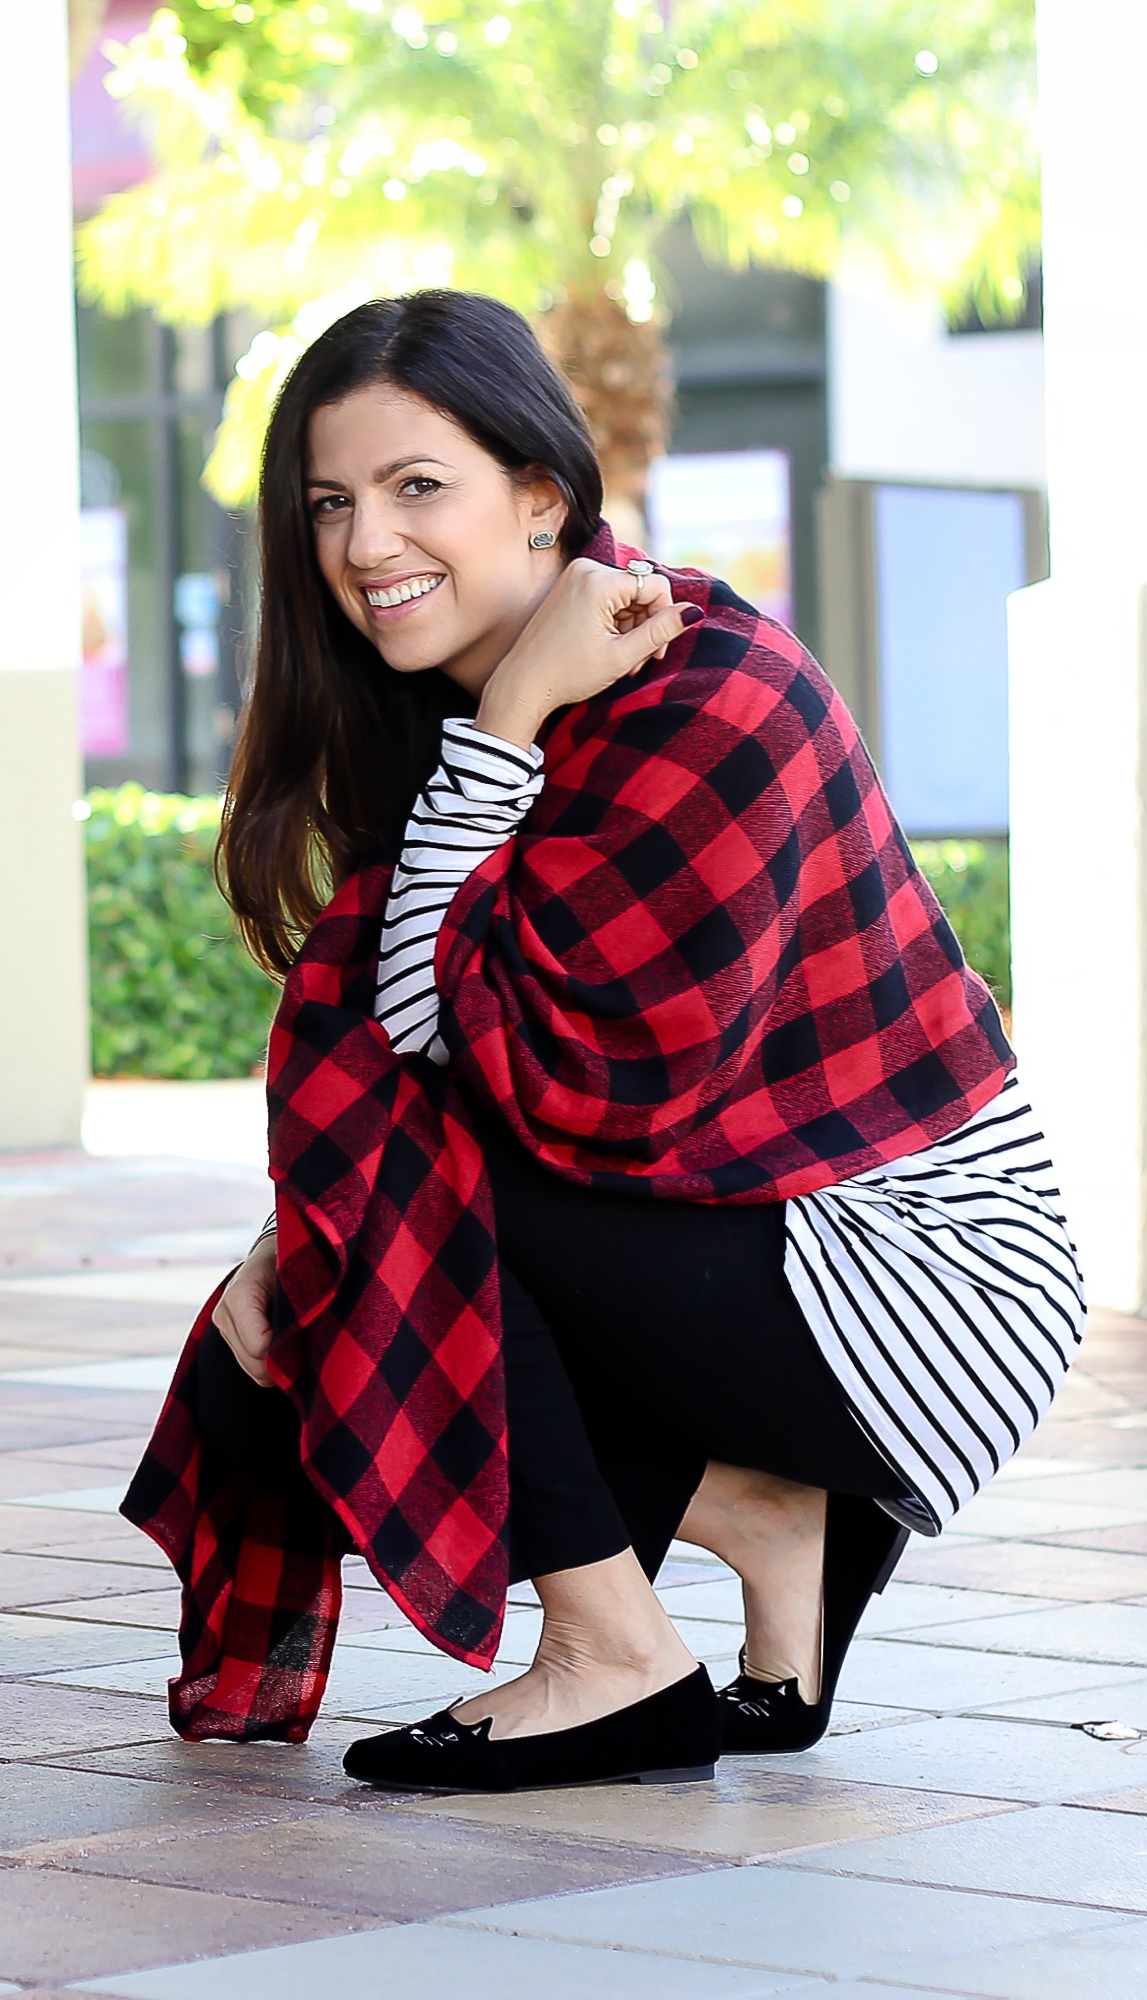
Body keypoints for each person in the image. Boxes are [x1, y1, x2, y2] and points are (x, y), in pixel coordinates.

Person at [123, 291, 1085, 1791]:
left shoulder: (705, 693)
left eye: (416, 488)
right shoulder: (478, 712)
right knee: (265, 1391)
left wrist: (506, 714)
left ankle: (614, 1660)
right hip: (763, 1243)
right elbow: (419, 1051)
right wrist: (295, 1237)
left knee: (396, 1227)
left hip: (927, 1279)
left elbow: (540, 1077)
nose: (368, 544)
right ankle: (774, 1531)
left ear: (541, 498)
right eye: (331, 504)